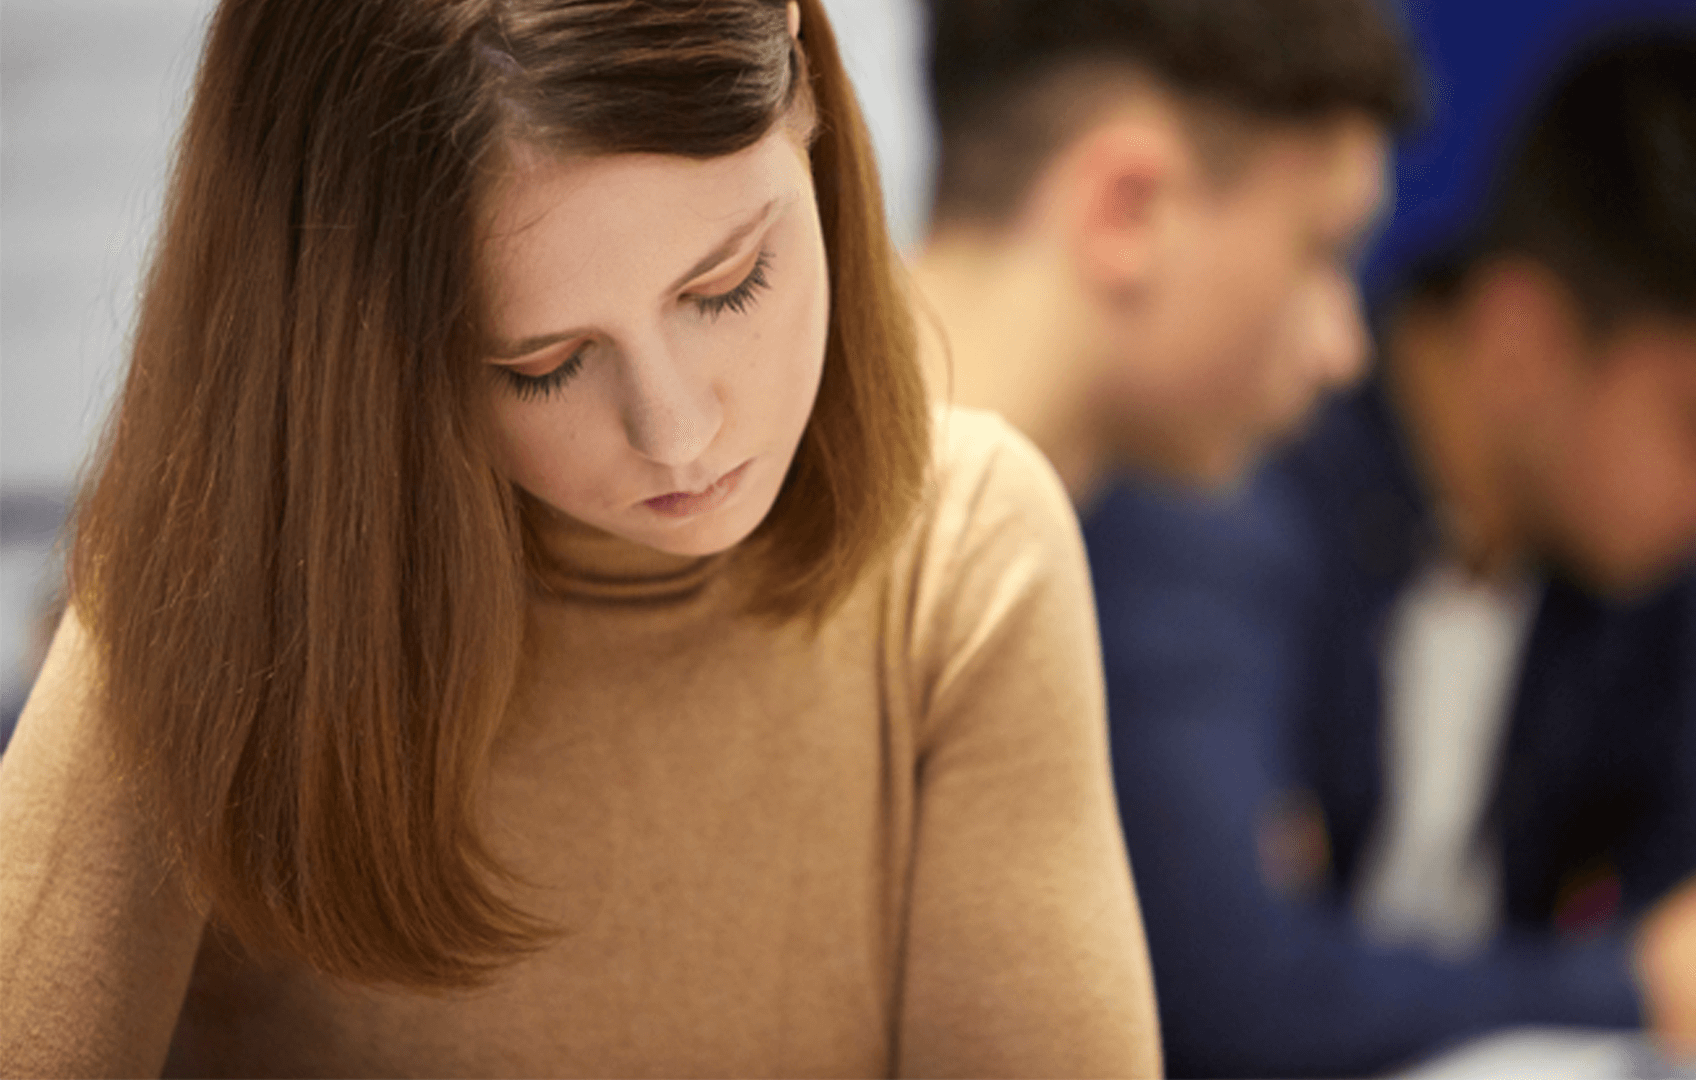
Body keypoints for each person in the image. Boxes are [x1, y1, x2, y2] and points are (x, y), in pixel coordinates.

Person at [0, 1, 1159, 1075]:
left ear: (807, 85)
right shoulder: (216, 589)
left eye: (728, 286)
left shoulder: (963, 554)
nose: (679, 433)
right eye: (541, 365)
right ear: (368, 356)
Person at [1082, 32, 1696, 1077]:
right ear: (1524, 342)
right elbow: (1225, 996)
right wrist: (1638, 985)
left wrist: (1693, 973)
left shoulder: (1672, 549)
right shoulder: (1226, 476)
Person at [912, 0, 1416, 504]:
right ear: (1129, 211)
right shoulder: (929, 543)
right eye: (1321, 252)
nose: (1344, 352)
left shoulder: (915, 517)